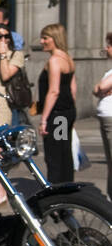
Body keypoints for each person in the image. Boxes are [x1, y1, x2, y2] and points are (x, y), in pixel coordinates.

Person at [37, 23, 77, 184]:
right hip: (67, 112)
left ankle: (57, 195)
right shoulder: (68, 58)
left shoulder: (54, 61)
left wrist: (44, 119)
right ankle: (67, 191)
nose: (42, 41)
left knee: (55, 156)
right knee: (65, 153)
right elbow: (73, 89)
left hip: (57, 115)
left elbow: (54, 91)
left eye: (45, 38)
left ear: (55, 39)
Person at [93, 33, 112, 199]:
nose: (106, 48)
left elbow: (101, 87)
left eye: (110, 45)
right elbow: (97, 89)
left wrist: (101, 88)